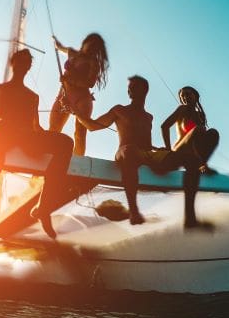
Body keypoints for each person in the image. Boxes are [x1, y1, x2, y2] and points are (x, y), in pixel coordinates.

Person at [0, 49, 74, 238]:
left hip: (26, 137)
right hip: (4, 133)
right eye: (22, 61)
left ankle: (44, 206)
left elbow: (36, 128)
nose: (25, 65)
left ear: (29, 68)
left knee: (65, 143)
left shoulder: (33, 96)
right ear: (13, 63)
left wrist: (66, 111)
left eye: (28, 63)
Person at [74, 76, 212, 229]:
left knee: (191, 160)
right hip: (126, 151)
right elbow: (92, 126)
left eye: (134, 87)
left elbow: (146, 144)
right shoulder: (119, 110)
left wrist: (158, 149)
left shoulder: (149, 117)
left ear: (145, 91)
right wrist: (76, 113)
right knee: (130, 150)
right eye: (130, 88)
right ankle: (134, 211)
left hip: (148, 154)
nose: (130, 90)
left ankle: (190, 217)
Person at [49, 33, 109, 156]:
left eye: (94, 48)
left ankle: (78, 163)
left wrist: (69, 80)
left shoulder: (94, 62)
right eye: (90, 45)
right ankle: (49, 157)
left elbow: (90, 83)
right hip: (63, 96)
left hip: (82, 100)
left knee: (79, 135)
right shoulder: (71, 52)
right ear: (85, 42)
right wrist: (55, 41)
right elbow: (60, 47)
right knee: (53, 129)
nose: (91, 49)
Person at [161, 86, 219, 175]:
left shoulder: (200, 115)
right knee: (198, 129)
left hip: (193, 154)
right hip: (179, 150)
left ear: (195, 96)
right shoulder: (182, 109)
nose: (185, 97)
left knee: (213, 132)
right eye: (182, 96)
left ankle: (201, 164)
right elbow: (164, 126)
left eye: (187, 94)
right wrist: (168, 150)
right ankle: (199, 164)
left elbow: (201, 140)